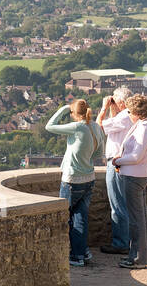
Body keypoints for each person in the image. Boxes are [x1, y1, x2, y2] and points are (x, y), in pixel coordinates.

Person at [45, 98, 106, 267]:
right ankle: (82, 252)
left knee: (65, 217)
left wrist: (64, 108)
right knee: (81, 217)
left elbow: (49, 126)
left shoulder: (78, 127)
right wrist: (84, 158)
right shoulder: (95, 127)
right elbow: (99, 153)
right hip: (89, 179)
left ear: (74, 113)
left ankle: (75, 255)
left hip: (72, 180)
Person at [109, 94, 147, 268]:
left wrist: (117, 161)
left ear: (137, 111)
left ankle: (137, 259)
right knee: (140, 218)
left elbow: (136, 156)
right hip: (138, 174)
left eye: (130, 110)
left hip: (134, 176)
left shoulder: (145, 127)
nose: (128, 113)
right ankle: (139, 256)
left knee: (136, 220)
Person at [98, 86, 134, 255]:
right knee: (124, 204)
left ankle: (120, 243)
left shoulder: (124, 117)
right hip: (125, 163)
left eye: (114, 100)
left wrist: (104, 108)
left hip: (116, 163)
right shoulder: (128, 116)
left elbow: (99, 128)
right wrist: (113, 109)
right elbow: (113, 129)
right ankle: (127, 241)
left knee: (117, 204)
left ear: (121, 102)